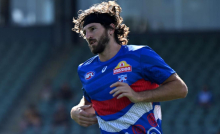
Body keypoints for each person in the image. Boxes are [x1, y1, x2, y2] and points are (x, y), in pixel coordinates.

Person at [70, 1, 188, 134]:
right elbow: (88, 101)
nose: (88, 36)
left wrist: (138, 96)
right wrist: (75, 111)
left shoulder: (140, 55)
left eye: (92, 29)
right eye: (84, 32)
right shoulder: (85, 69)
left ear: (111, 29)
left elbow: (180, 89)